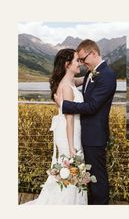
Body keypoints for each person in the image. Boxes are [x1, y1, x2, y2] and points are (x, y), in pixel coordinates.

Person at [54, 39, 117, 205]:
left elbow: (93, 106)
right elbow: (73, 81)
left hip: (94, 136)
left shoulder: (107, 75)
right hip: (84, 135)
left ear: (94, 53)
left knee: (98, 180)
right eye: (79, 60)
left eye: (83, 59)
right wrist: (64, 80)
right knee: (89, 179)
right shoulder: (92, 72)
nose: (82, 63)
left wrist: (64, 104)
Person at [23, 48, 87, 205]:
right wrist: (72, 147)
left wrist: (93, 73)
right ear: (67, 64)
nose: (80, 63)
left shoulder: (70, 81)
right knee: (71, 171)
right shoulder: (66, 87)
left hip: (68, 131)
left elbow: (81, 80)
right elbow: (69, 119)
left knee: (68, 172)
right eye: (77, 60)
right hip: (69, 134)